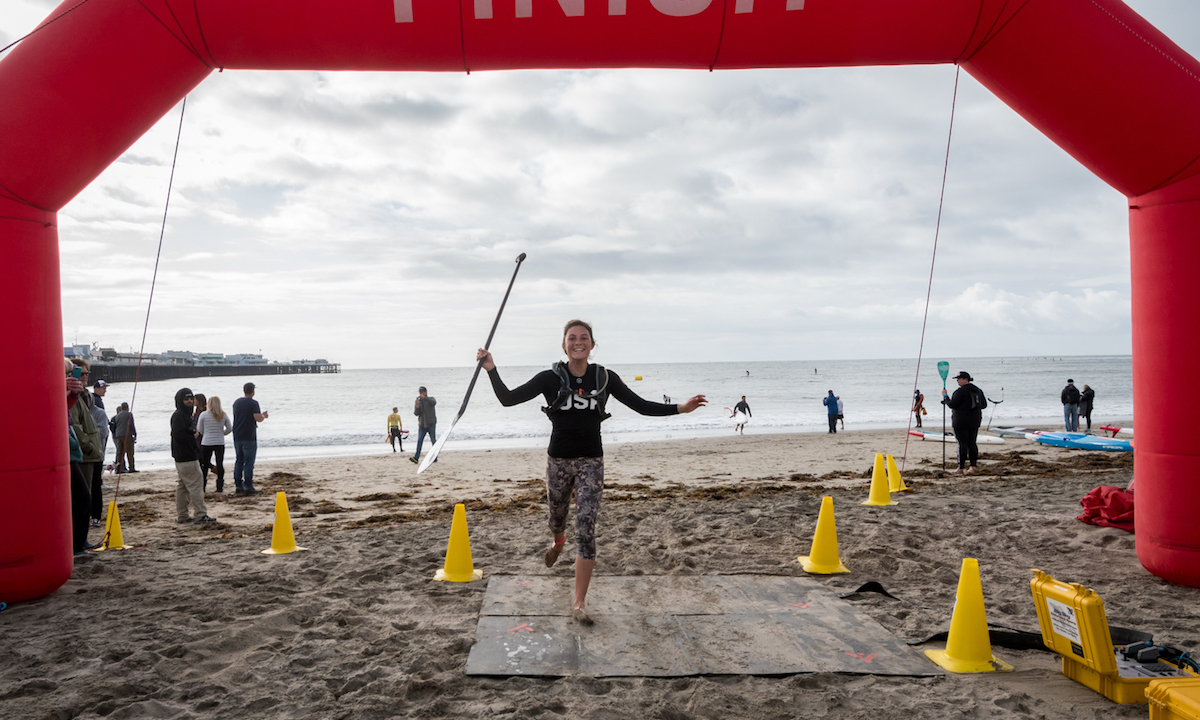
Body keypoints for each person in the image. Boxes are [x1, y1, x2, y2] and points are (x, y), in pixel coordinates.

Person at [477, 319, 706, 625]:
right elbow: (508, 399)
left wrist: (681, 408)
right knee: (557, 519)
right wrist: (491, 368)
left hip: (591, 463)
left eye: (584, 338)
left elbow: (640, 405)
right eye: (572, 338)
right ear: (564, 345)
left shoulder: (605, 378)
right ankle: (558, 541)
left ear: (592, 345)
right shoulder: (549, 378)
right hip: (558, 461)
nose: (578, 342)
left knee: (586, 528)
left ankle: (579, 603)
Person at [69, 361, 103, 531]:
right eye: (80, 374)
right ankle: (79, 539)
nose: (84, 378)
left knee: (90, 493)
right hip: (86, 454)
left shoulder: (84, 396)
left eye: (86, 374)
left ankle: (83, 536)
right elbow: (75, 425)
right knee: (83, 497)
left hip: (92, 453)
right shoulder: (74, 396)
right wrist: (88, 446)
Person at [65, 361, 95, 554]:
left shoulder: (73, 395)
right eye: (72, 373)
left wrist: (73, 394)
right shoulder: (51, 389)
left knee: (81, 497)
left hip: (72, 451)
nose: (80, 377)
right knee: (82, 497)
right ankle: (76, 545)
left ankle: (80, 542)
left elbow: (63, 408)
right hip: (67, 453)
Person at [171, 388, 214, 523]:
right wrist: (193, 436)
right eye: (186, 399)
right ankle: (200, 514)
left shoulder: (185, 415)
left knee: (183, 486)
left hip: (183, 456)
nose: (189, 401)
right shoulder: (179, 415)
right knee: (196, 485)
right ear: (180, 401)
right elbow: (177, 435)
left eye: (191, 398)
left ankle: (182, 515)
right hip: (186, 456)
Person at [941, 371, 987, 474]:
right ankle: (973, 467)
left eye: (959, 379)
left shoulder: (960, 391)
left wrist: (945, 396)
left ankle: (960, 468)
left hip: (960, 421)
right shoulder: (978, 390)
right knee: (972, 443)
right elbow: (984, 405)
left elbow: (952, 404)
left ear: (965, 379)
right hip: (975, 420)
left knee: (962, 444)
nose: (957, 381)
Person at [232, 382, 268, 494]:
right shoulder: (253, 403)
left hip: (237, 434)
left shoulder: (236, 402)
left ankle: (238, 484)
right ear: (253, 391)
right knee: (248, 461)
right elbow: (258, 418)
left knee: (239, 460)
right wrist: (263, 416)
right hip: (249, 435)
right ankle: (248, 485)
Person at [87, 377, 111, 526]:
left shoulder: (98, 409)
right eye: (103, 388)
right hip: (87, 453)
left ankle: (95, 516)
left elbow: (103, 432)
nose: (105, 390)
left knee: (95, 484)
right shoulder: (96, 400)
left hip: (95, 451)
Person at [196, 396, 232, 492]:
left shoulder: (203, 415)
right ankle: (219, 486)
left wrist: (205, 434)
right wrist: (222, 433)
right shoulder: (223, 415)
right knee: (219, 464)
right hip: (219, 442)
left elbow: (200, 429)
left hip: (207, 442)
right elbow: (229, 428)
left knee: (205, 464)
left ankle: (203, 487)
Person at [410, 386, 437, 464]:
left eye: (422, 392)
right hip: (422, 425)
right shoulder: (419, 402)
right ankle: (416, 457)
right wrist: (417, 407)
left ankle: (435, 457)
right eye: (420, 393)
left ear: (425, 392)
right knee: (419, 440)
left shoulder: (430, 399)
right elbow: (416, 413)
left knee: (433, 440)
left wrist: (425, 398)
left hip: (431, 424)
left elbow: (434, 403)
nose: (420, 394)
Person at [110, 402, 137, 473]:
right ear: (127, 407)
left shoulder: (117, 416)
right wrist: (134, 434)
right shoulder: (129, 414)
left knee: (120, 453)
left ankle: (119, 469)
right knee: (130, 452)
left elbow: (114, 427)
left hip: (118, 435)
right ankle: (131, 468)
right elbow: (131, 424)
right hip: (127, 434)